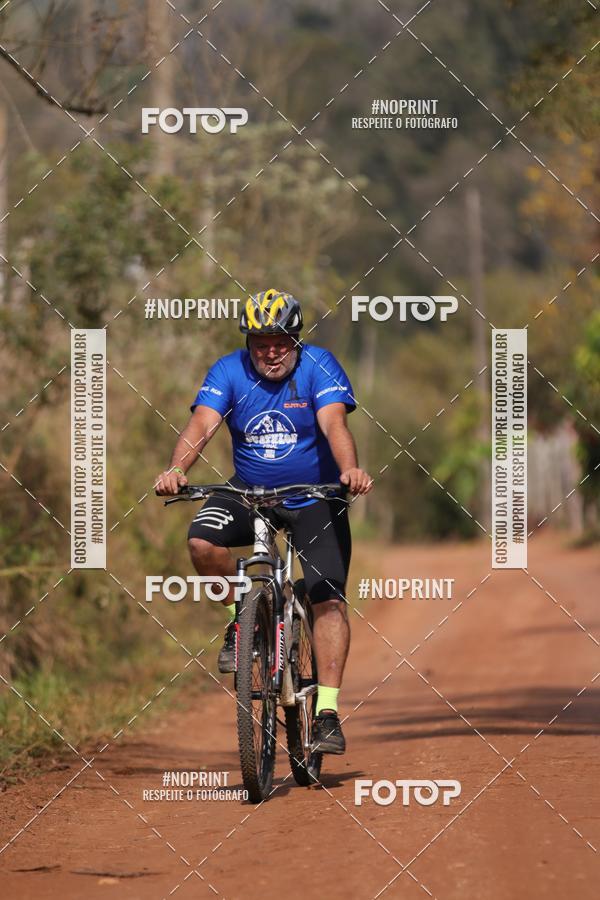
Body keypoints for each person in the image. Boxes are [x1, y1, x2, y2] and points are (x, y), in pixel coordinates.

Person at [155, 289, 372, 753]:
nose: (270, 352)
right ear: (248, 342)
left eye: (279, 341)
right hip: (248, 491)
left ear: (295, 340)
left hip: (315, 495)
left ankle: (329, 712)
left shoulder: (319, 366)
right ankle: (243, 620)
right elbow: (202, 426)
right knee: (201, 544)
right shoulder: (228, 371)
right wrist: (177, 471)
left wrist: (349, 471)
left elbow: (336, 425)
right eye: (260, 342)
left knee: (327, 599)